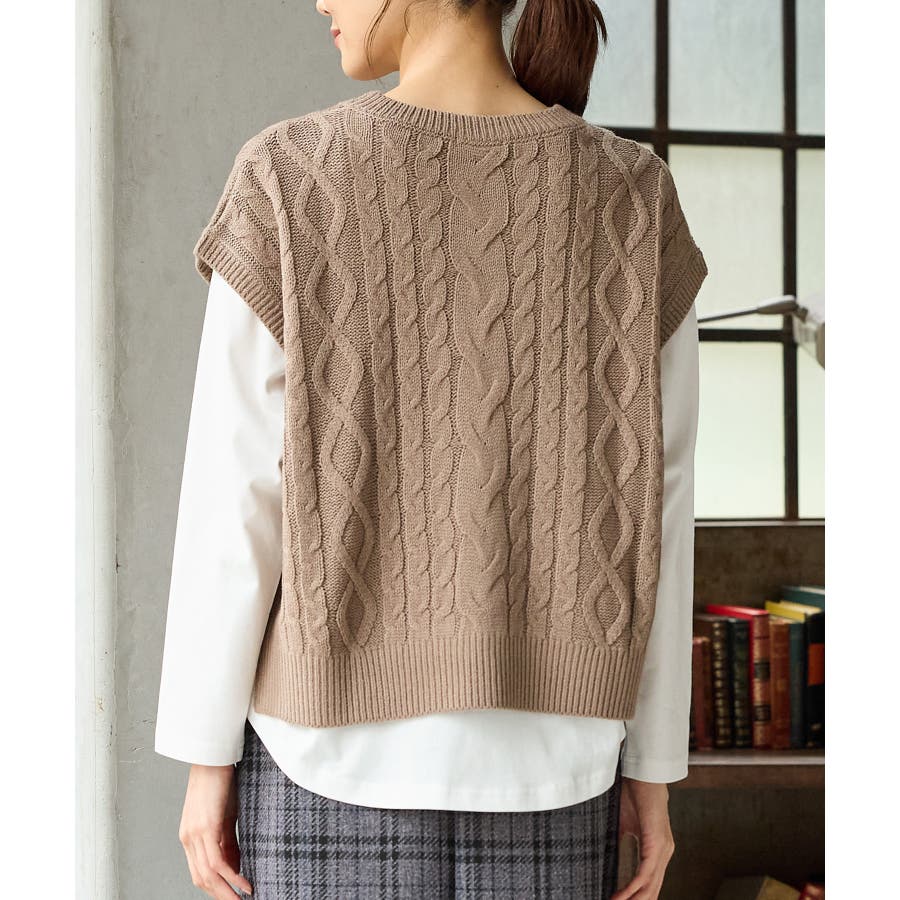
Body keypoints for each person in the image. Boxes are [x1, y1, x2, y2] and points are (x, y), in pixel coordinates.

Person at [154, 0, 707, 898]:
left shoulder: (288, 177)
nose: (322, 1)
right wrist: (652, 764)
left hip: (324, 764)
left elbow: (238, 494)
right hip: (558, 771)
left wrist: (204, 757)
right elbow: (661, 502)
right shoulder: (633, 196)